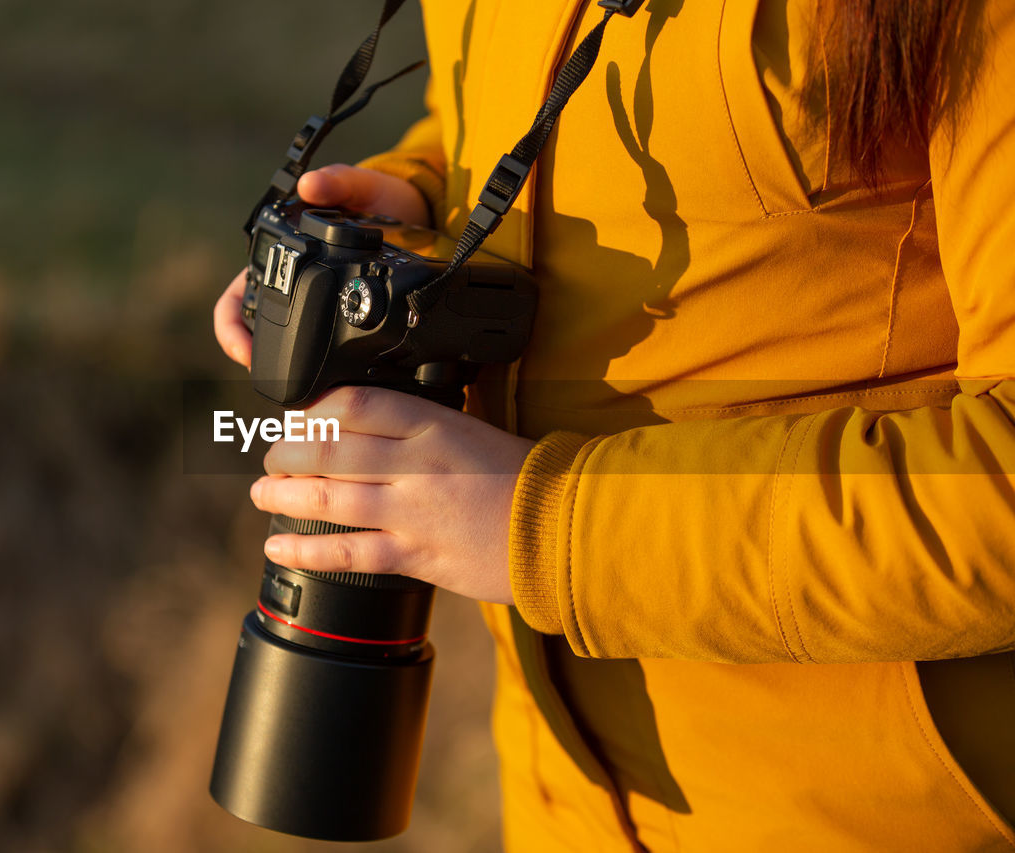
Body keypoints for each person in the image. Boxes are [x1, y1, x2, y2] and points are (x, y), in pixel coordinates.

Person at [213, 0, 1015, 849]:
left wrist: (552, 525)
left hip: (872, 819)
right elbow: (509, 86)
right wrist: (421, 200)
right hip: (557, 802)